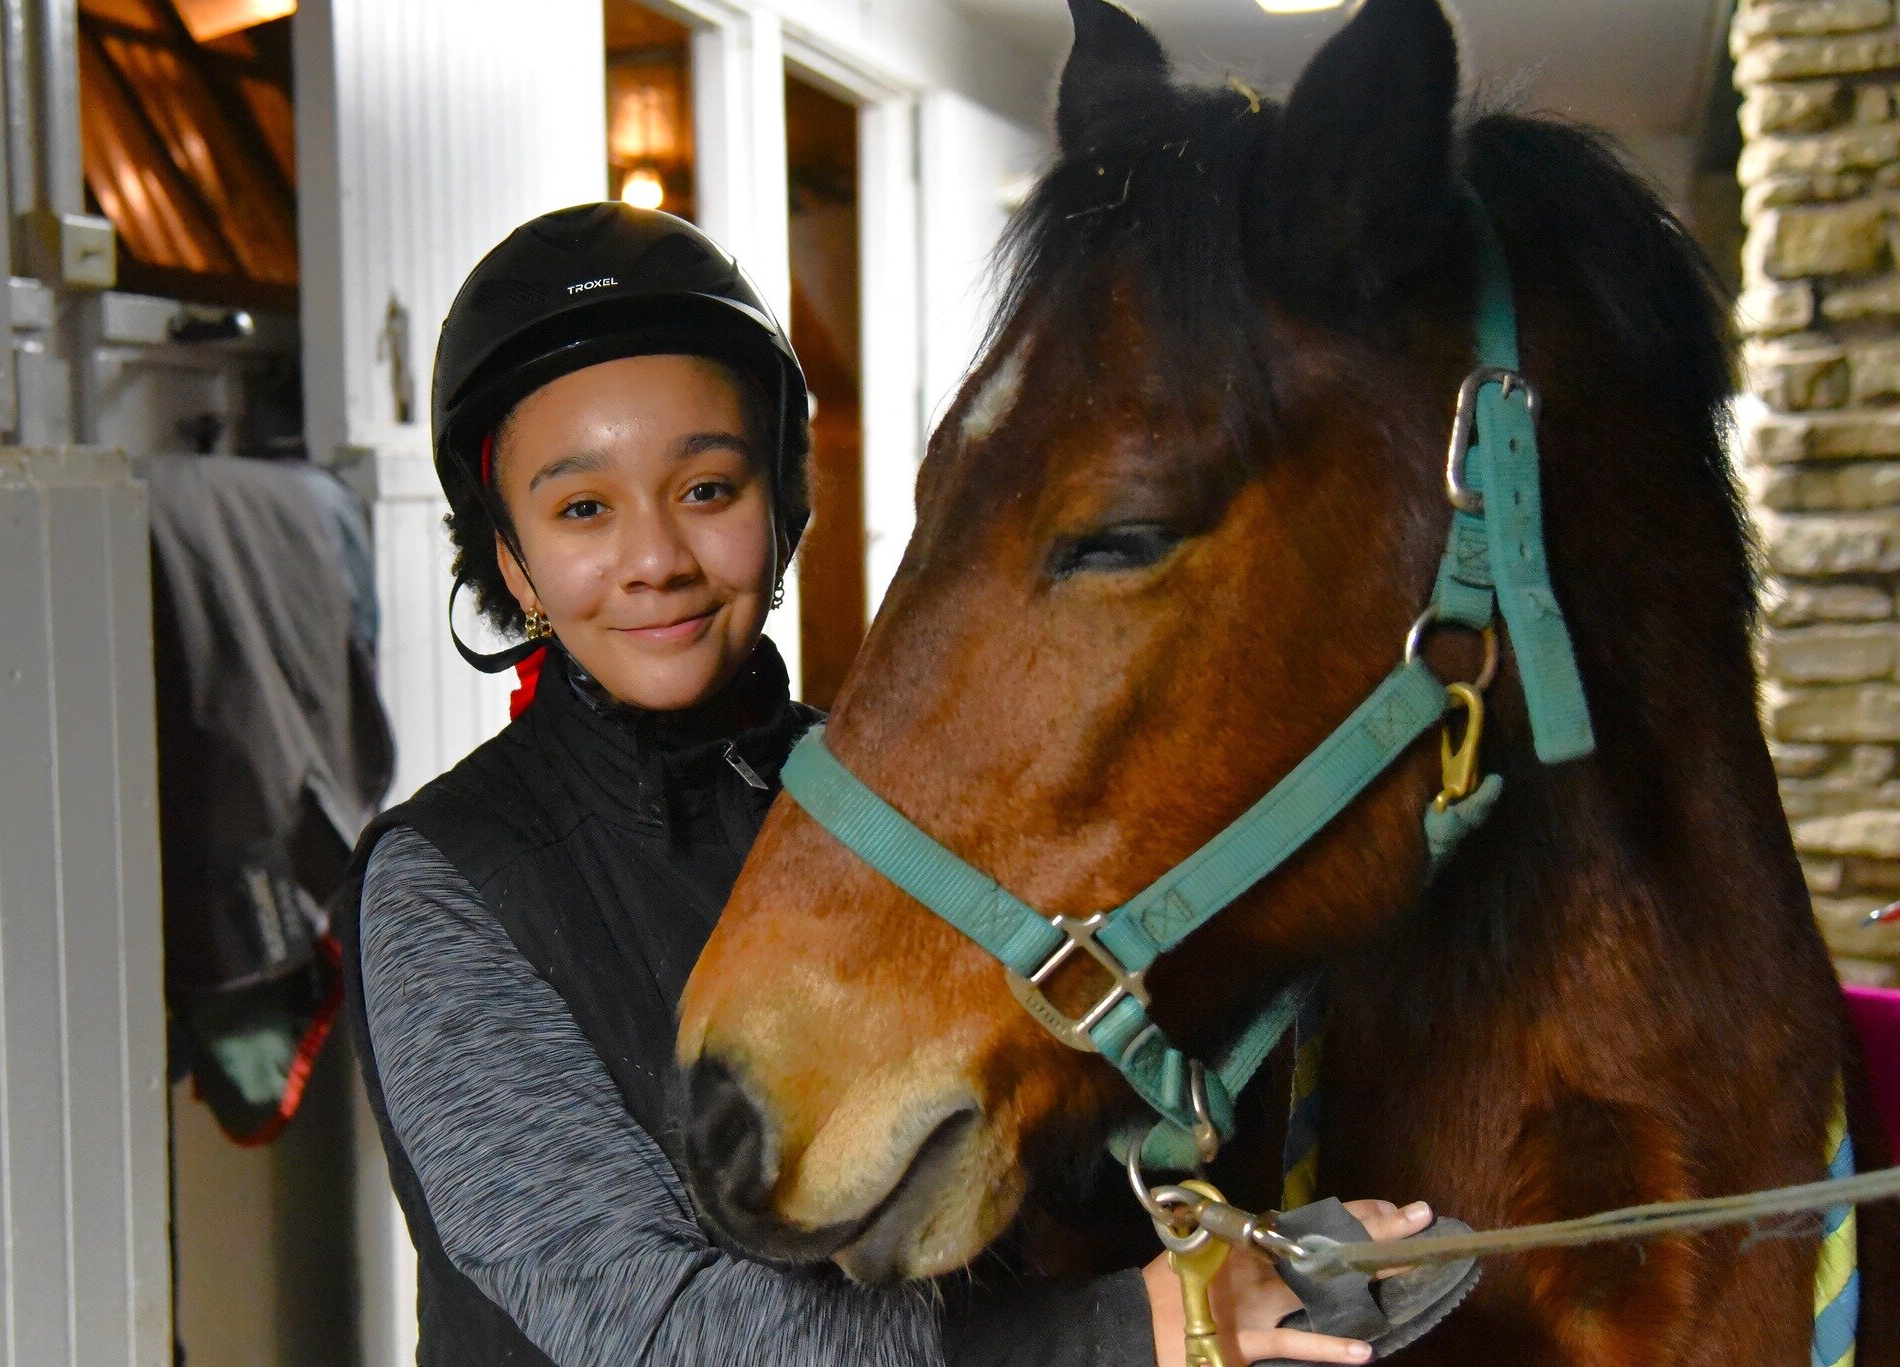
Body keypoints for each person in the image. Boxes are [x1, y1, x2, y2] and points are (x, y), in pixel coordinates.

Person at [340, 202, 1432, 1367]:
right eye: (582, 509)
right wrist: (1120, 1330)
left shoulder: (914, 811)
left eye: (706, 489)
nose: (655, 558)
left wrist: (1264, 1252)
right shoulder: (441, 879)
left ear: (781, 501)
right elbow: (646, 1320)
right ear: (510, 558)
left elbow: (1064, 1134)